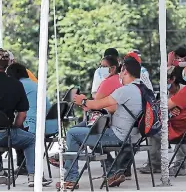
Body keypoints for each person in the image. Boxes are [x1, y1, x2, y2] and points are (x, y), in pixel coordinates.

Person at [56, 57, 142, 190]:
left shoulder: (126, 90)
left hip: (119, 135)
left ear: (125, 71)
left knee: (73, 134)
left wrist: (83, 101)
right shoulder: (141, 89)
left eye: (121, 70)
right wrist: (92, 106)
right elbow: (112, 108)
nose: (119, 74)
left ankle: (70, 178)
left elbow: (98, 103)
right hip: (134, 135)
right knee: (92, 133)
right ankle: (112, 172)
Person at [139, 56, 186, 176]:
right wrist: (175, 108)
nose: (184, 71)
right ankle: (178, 165)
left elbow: (165, 105)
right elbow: (178, 105)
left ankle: (156, 164)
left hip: (181, 129)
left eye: (185, 68)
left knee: (151, 129)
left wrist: (171, 107)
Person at [0, 48, 51, 187]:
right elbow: (22, 115)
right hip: (6, 133)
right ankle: (33, 177)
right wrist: (14, 127)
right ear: (8, 64)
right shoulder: (16, 84)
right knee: (32, 140)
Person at [6, 63, 57, 175]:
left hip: (36, 125)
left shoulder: (19, 85)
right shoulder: (34, 84)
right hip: (50, 125)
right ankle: (23, 165)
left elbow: (13, 108)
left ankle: (20, 166)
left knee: (14, 132)